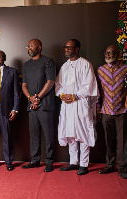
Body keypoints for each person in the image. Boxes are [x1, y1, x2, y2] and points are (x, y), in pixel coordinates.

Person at [55, 39, 99, 175]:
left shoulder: (85, 65)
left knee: (83, 132)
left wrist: (75, 96)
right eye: (65, 47)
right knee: (70, 133)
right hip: (67, 104)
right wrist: (63, 95)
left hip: (81, 104)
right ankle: (73, 162)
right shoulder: (64, 66)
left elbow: (89, 85)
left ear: (77, 49)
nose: (67, 49)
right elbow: (58, 85)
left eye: (70, 47)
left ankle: (84, 164)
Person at [21, 39, 56, 172]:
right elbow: (24, 85)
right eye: (28, 46)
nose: (29, 48)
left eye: (31, 46)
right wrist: (30, 98)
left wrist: (38, 98)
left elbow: (50, 81)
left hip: (45, 105)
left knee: (48, 135)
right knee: (34, 135)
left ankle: (49, 162)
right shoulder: (26, 65)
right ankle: (35, 160)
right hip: (31, 105)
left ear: (39, 47)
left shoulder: (48, 62)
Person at [97, 44, 127, 176]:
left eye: (111, 53)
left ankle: (122, 167)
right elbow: (97, 91)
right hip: (106, 110)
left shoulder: (125, 69)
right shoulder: (100, 70)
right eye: (106, 53)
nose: (108, 55)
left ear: (118, 54)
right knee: (108, 140)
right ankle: (109, 165)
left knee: (122, 141)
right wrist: (98, 108)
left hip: (122, 111)